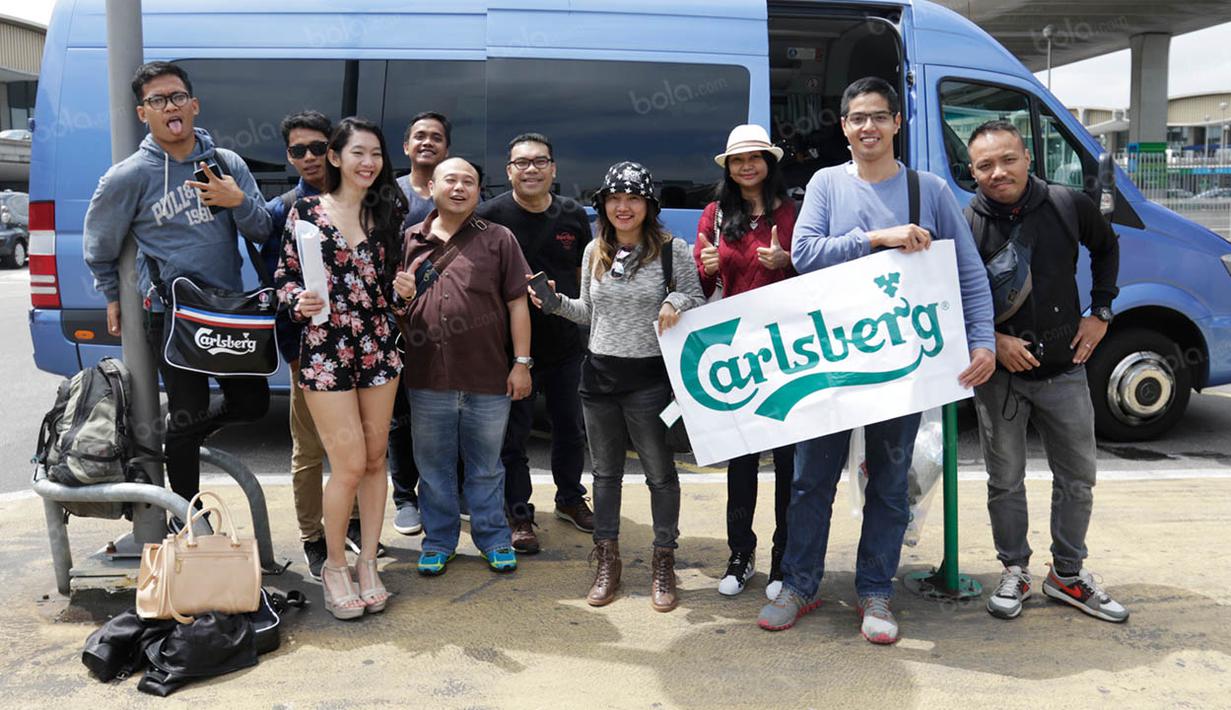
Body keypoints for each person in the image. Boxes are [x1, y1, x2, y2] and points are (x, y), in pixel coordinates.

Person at [756, 77, 996, 643]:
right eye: (857, 117)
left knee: (889, 483)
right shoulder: (824, 184)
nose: (868, 127)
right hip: (830, 364)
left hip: (902, 367)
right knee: (811, 481)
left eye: (878, 117)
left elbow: (968, 273)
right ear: (843, 127)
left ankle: (875, 591)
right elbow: (806, 255)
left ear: (896, 124)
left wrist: (981, 339)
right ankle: (800, 584)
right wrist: (879, 237)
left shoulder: (929, 189)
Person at [83, 61, 271, 510]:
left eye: (177, 97)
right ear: (142, 113)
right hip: (169, 314)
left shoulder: (227, 164)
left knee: (252, 403)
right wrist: (112, 295)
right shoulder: (128, 177)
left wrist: (237, 201)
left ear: (194, 105)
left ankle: (177, 438)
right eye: (158, 100)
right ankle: (187, 516)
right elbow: (99, 245)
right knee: (186, 410)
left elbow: (263, 229)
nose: (170, 106)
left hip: (226, 309)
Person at [964, 120, 1126, 623]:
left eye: (1007, 159)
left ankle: (1068, 575)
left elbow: (1108, 248)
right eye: (985, 165)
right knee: (1004, 481)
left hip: (1066, 370)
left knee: (1078, 479)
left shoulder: (1067, 204)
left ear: (1027, 158)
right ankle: (1014, 569)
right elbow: (950, 295)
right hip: (1000, 378)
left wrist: (1100, 313)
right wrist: (993, 340)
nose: (998, 172)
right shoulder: (967, 222)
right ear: (972, 172)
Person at [533, 161, 705, 612]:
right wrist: (553, 303)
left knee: (660, 475)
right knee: (605, 475)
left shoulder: (672, 249)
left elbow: (697, 298)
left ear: (649, 205)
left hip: (649, 378)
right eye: (614, 199)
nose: (623, 207)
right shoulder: (595, 251)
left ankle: (663, 561)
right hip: (598, 377)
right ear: (603, 205)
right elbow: (589, 312)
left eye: (633, 199)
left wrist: (674, 299)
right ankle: (607, 562)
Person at [275, 117, 408, 620]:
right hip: (326, 348)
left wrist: (404, 292)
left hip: (377, 345)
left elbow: (398, 280)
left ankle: (369, 561)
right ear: (335, 157)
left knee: (377, 460)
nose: (368, 162)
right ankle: (335, 565)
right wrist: (298, 301)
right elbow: (284, 279)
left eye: (375, 153)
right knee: (349, 464)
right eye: (357, 152)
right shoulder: (306, 211)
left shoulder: (389, 210)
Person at [397, 157, 532, 577]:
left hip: (488, 377)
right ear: (432, 186)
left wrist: (522, 363)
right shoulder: (408, 241)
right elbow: (393, 312)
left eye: (469, 182)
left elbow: (517, 303)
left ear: (478, 192)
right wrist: (400, 297)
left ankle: (493, 538)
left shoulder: (498, 238)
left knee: (487, 467)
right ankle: (438, 541)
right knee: (433, 468)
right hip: (427, 378)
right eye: (450, 180)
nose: (459, 188)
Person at [475, 133, 594, 554]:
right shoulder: (488, 215)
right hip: (510, 348)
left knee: (570, 428)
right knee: (514, 436)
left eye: (539, 161)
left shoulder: (573, 214)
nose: (531, 169)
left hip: (565, 344)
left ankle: (569, 499)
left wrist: (567, 293)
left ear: (553, 169)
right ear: (508, 171)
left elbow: (588, 272)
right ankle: (519, 515)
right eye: (521, 163)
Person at [693, 124, 797, 599]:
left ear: (769, 164)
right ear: (729, 169)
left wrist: (787, 261)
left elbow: (814, 271)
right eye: (738, 160)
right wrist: (706, 267)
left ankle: (784, 558)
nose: (747, 166)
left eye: (755, 158)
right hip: (738, 354)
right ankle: (740, 554)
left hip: (787, 353)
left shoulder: (790, 212)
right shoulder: (714, 215)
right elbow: (700, 277)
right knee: (742, 461)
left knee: (789, 462)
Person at [389, 111, 452, 536]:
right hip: (396, 322)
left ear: (447, 148)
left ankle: (448, 493)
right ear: (407, 147)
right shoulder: (387, 195)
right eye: (419, 137)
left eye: (437, 137)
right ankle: (404, 497)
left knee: (448, 412)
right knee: (399, 414)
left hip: (449, 326)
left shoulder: (454, 190)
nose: (427, 143)